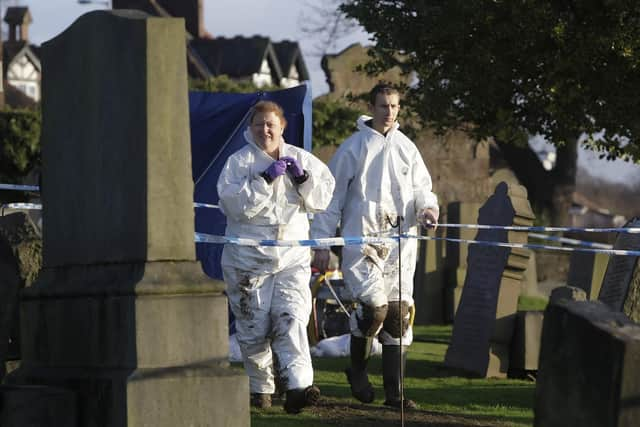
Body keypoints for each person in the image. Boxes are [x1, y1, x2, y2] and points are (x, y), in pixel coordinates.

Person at [310, 83, 439, 409]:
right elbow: (331, 198)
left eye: (394, 106)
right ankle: (357, 369)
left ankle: (395, 396)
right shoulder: (353, 148)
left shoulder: (407, 148)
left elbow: (423, 189)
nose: (389, 112)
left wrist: (427, 210)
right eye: (384, 106)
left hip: (400, 244)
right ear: (373, 107)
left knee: (397, 314)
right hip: (363, 240)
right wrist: (323, 242)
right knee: (374, 308)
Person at [217, 100, 335, 413]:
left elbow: (322, 197)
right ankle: (261, 388)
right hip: (247, 263)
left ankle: (299, 386)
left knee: (292, 319)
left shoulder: (300, 158)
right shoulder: (238, 164)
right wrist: (264, 180)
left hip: (291, 260)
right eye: (259, 124)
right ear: (250, 128)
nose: (265, 129)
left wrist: (303, 179)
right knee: (253, 328)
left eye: (271, 124)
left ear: (281, 126)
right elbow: (232, 205)